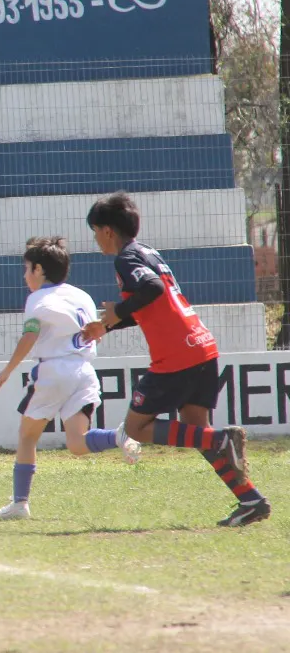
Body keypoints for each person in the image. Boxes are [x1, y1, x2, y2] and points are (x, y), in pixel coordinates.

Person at [81, 192, 269, 527]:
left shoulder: (125, 259)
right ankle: (251, 500)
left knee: (136, 428)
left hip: (177, 356)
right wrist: (107, 324)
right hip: (201, 346)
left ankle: (222, 439)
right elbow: (152, 302)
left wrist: (118, 310)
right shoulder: (149, 253)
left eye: (95, 231)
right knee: (196, 430)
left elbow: (150, 289)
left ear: (107, 230)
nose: (96, 239)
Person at [0, 237, 142, 521]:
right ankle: (118, 436)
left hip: (54, 371)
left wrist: (6, 371)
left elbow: (30, 335)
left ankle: (20, 504)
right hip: (83, 370)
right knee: (77, 443)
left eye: (26, 269)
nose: (25, 276)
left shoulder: (37, 299)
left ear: (38, 269)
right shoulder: (81, 295)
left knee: (27, 436)